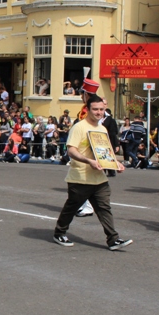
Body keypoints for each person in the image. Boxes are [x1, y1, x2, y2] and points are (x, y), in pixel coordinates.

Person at [52, 94, 131, 251]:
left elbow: (105, 152)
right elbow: (71, 151)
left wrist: (115, 163)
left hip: (99, 178)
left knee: (104, 208)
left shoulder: (102, 129)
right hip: (80, 177)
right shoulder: (79, 127)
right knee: (71, 207)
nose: (99, 112)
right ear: (87, 109)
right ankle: (59, 232)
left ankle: (113, 239)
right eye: (95, 109)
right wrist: (89, 161)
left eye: (101, 109)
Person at [73, 78, 101, 217]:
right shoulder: (86, 108)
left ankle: (89, 206)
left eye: (82, 93)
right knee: (82, 177)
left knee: (86, 178)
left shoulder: (91, 108)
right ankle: (85, 204)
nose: (80, 96)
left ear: (87, 94)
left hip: (90, 146)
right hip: (84, 144)